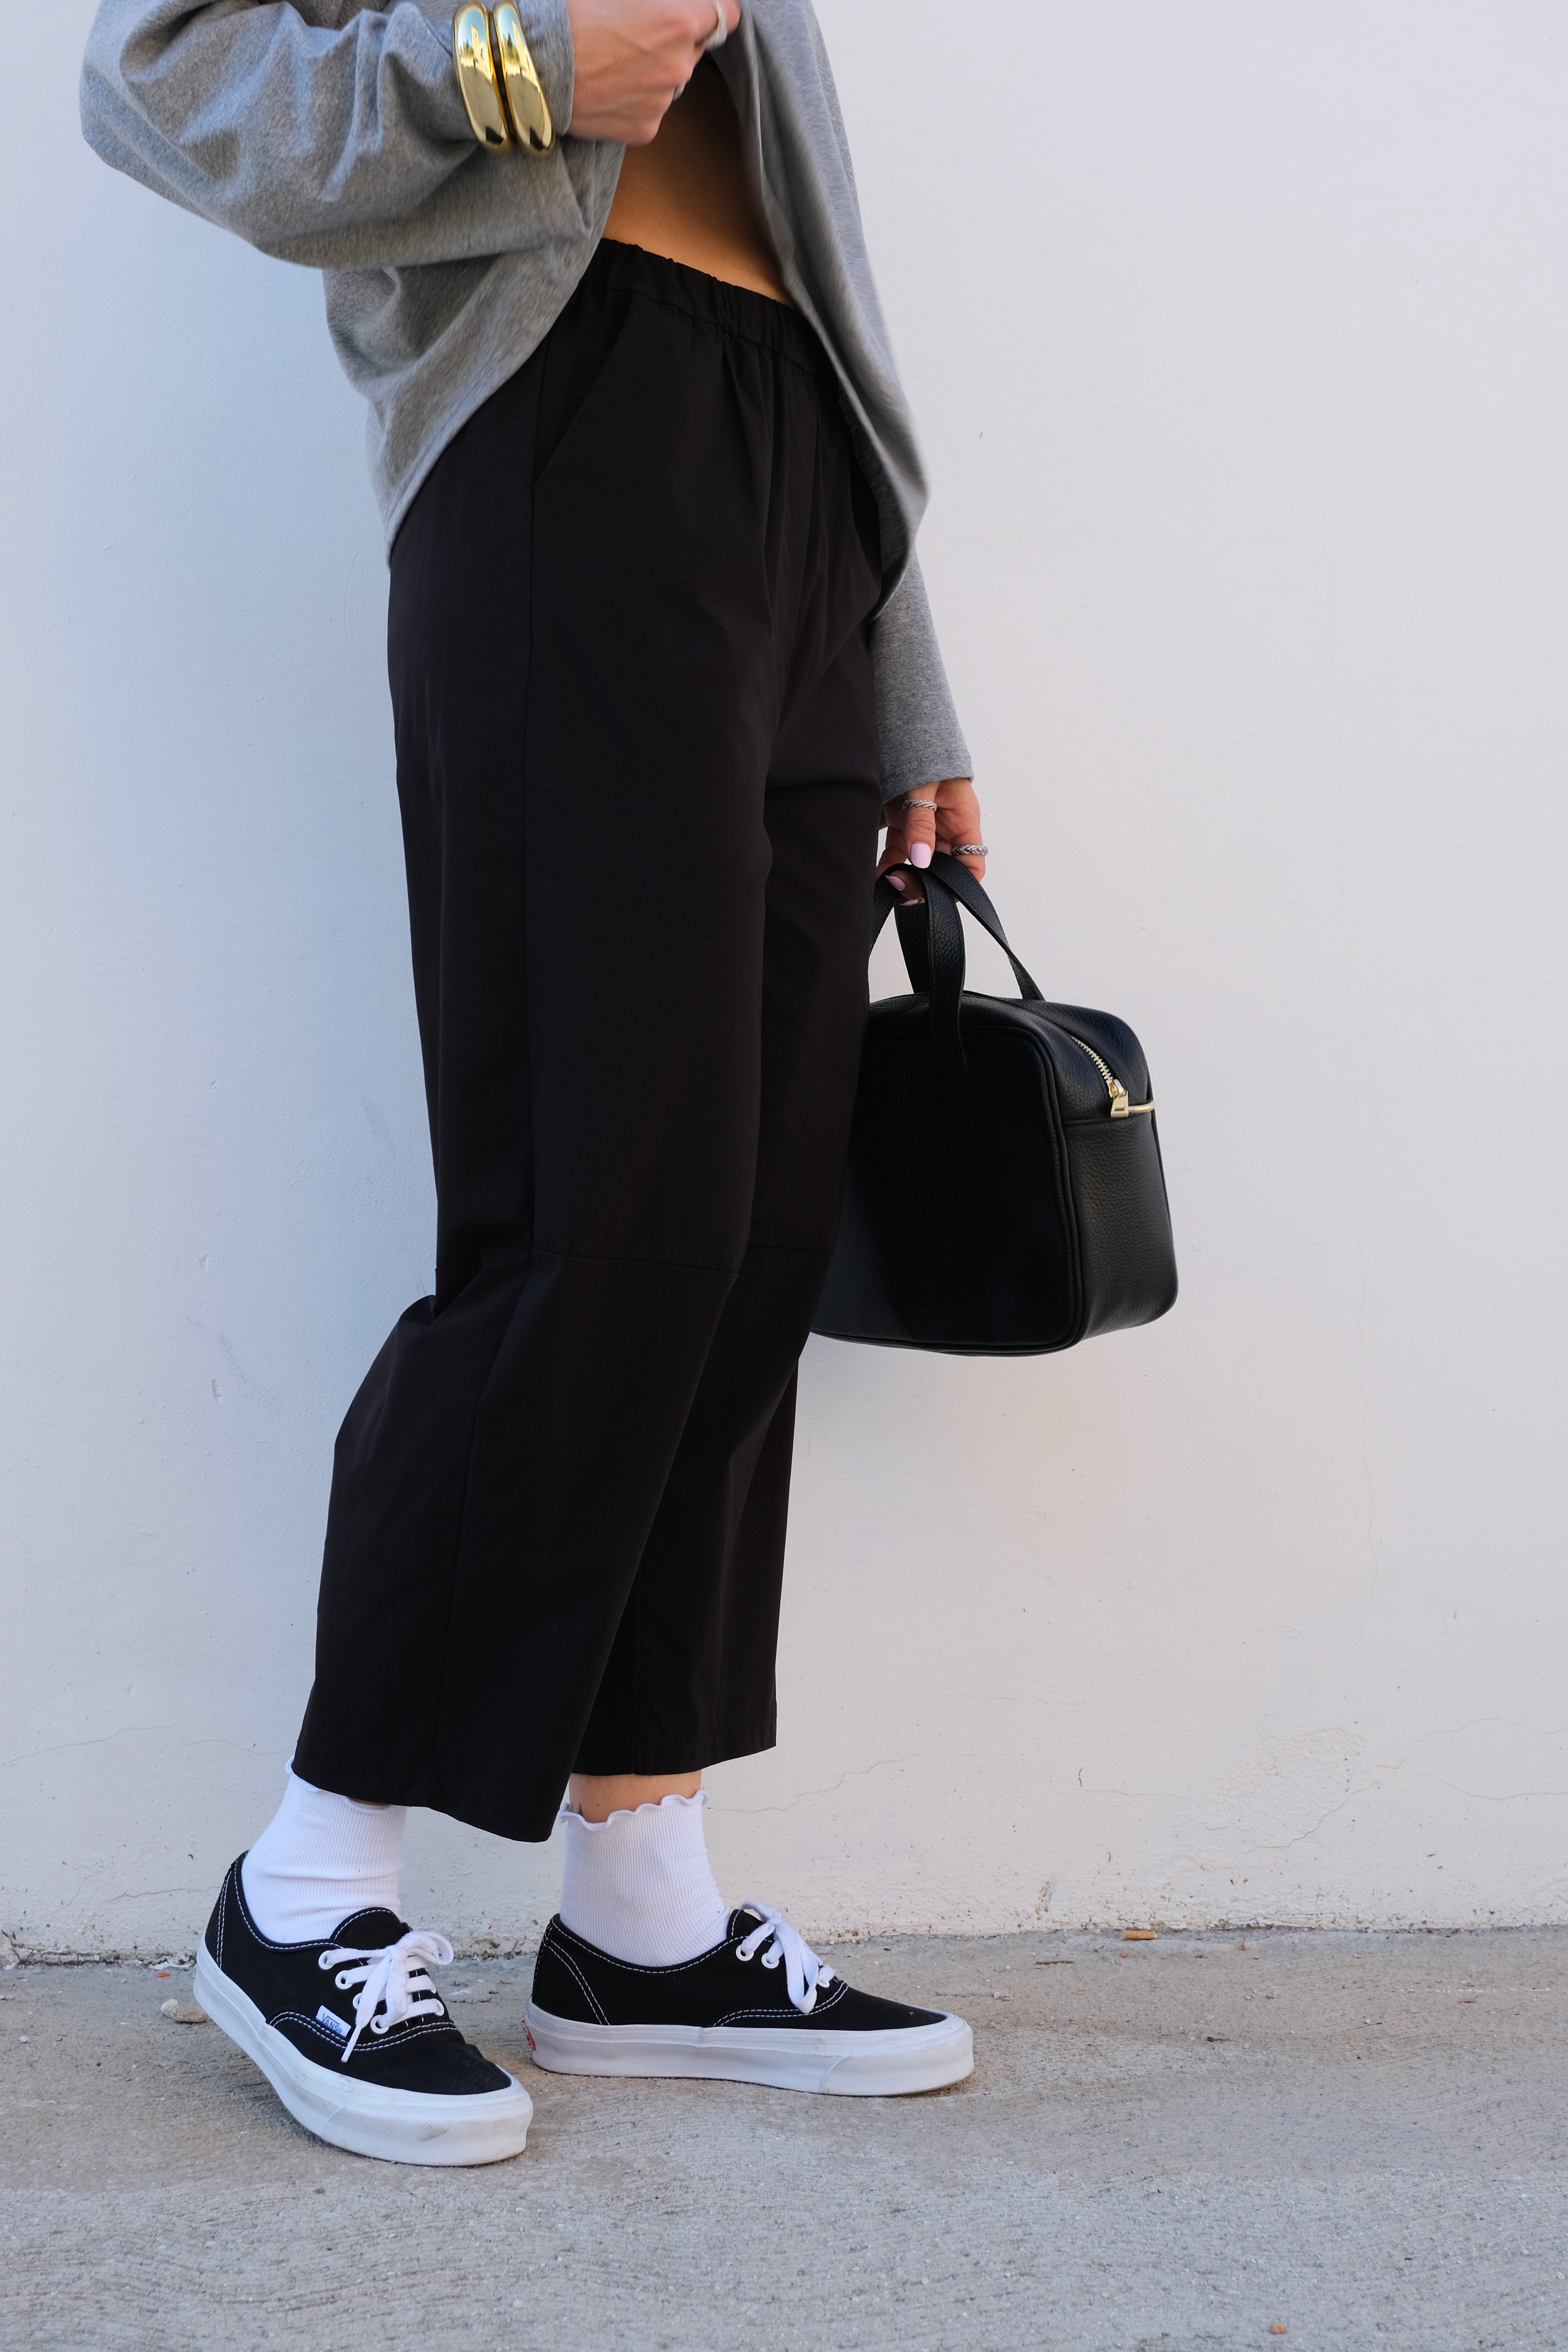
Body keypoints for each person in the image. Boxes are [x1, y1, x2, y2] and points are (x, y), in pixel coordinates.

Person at [81, 0, 988, 2165]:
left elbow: (812, 258)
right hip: (574, 432)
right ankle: (309, 1879)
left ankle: (639, 1909)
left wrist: (902, 668)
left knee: (749, 1223)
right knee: (601, 1205)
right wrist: (511, 69)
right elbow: (157, 78)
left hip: (795, 485)